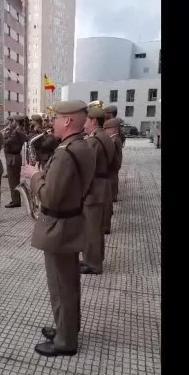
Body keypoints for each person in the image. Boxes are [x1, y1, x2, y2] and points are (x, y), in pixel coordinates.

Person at [20, 100, 95, 357]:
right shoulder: (80, 146)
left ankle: (65, 341)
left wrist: (34, 176)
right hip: (70, 223)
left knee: (61, 286)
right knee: (68, 283)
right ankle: (67, 328)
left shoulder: (65, 153)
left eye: (56, 119)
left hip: (59, 228)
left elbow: (50, 197)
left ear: (67, 121)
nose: (52, 123)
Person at [80, 104, 116, 275]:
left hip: (94, 189)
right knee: (95, 228)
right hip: (103, 185)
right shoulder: (106, 137)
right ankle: (92, 259)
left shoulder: (94, 141)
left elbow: (86, 167)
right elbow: (115, 164)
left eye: (86, 120)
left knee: (92, 229)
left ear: (93, 121)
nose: (84, 123)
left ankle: (93, 264)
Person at [103, 118, 123, 234]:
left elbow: (113, 160)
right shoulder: (115, 139)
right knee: (108, 200)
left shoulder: (114, 140)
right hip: (112, 173)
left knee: (107, 202)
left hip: (111, 173)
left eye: (106, 129)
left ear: (112, 129)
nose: (105, 131)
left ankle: (106, 226)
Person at [3, 115, 27, 208]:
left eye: (12, 121)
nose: (11, 123)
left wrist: (4, 136)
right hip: (14, 157)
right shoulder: (18, 130)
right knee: (14, 180)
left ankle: (15, 201)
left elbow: (7, 143)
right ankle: (16, 200)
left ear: (16, 122)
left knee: (13, 181)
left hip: (13, 158)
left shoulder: (16, 131)